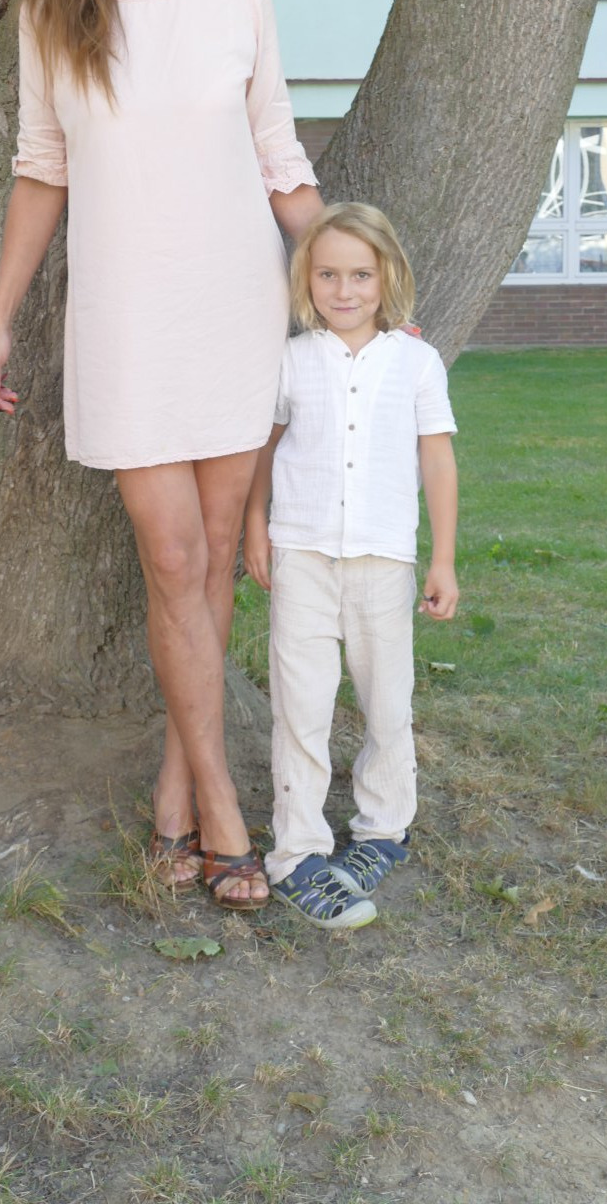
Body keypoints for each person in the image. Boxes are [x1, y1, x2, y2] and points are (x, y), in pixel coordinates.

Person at [0, 0, 322, 910]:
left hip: (234, 307)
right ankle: (224, 808)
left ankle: (177, 794)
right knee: (171, 561)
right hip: (125, 320)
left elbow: (278, 154)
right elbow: (41, 169)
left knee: (214, 563)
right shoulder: (55, 14)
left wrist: (347, 274)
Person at [242, 202, 459, 928]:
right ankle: (297, 854)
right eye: (328, 274)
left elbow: (438, 460)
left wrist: (443, 559)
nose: (345, 290)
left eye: (361, 275)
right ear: (307, 279)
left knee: (387, 702)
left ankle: (383, 831)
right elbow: (266, 448)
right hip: (301, 553)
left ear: (388, 276)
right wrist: (254, 524)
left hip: (383, 561)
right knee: (300, 707)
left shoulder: (417, 362)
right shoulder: (292, 359)